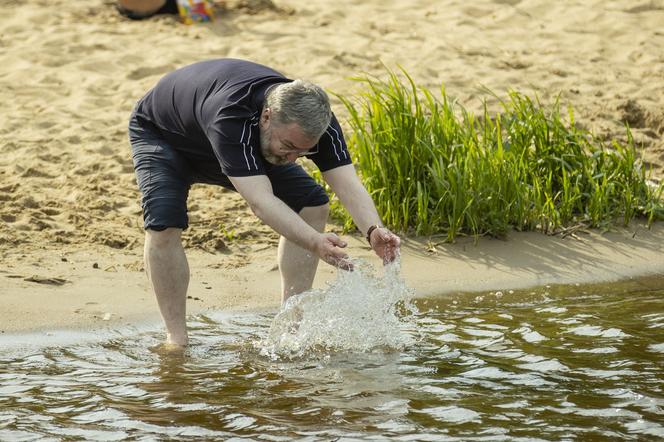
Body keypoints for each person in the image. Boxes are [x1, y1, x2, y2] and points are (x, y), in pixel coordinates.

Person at [129, 59, 401, 346]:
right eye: (289, 147)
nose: (294, 159)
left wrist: (373, 230)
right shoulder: (231, 115)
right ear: (267, 117)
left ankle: (290, 326)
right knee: (164, 223)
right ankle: (177, 338)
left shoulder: (318, 123)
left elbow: (346, 182)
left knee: (312, 203)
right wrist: (314, 242)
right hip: (165, 136)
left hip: (229, 136)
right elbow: (260, 201)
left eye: (304, 151)